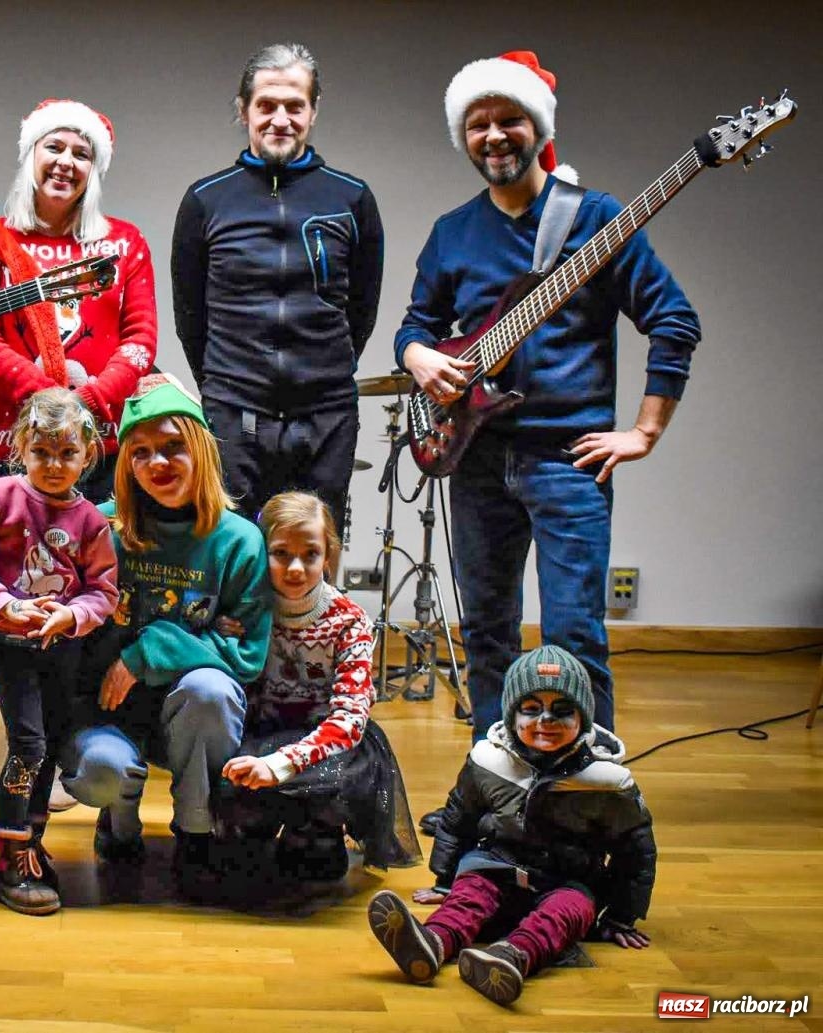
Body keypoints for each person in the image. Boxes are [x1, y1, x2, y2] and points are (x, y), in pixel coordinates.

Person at [394, 51, 701, 740]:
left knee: (573, 636)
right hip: (474, 458)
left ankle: (586, 789)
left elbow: (674, 320)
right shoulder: (453, 231)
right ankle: (491, 784)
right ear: (463, 137)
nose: (495, 136)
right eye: (479, 125)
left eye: (510, 120)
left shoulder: (595, 218)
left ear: (537, 126)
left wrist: (644, 432)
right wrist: (417, 356)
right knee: (487, 632)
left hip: (569, 459)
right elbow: (416, 324)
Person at [57, 373, 271, 898]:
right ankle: (119, 824)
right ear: (126, 462)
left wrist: (151, 647)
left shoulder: (240, 541)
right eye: (142, 452)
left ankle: (196, 831)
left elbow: (246, 658)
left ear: (200, 449)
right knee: (103, 769)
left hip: (191, 715)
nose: (158, 464)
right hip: (109, 710)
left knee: (211, 689)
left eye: (174, 447)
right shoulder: (98, 528)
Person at [366, 645, 655, 1006]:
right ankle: (431, 943)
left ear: (583, 717)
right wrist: (444, 879)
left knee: (567, 911)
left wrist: (622, 916)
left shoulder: (607, 781)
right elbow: (459, 819)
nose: (545, 721)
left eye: (562, 711)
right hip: (497, 865)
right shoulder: (488, 761)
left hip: (568, 882)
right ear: (511, 714)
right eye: (531, 710)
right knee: (468, 895)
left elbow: (636, 851)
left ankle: (510, 957)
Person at [172, 43, 383, 529]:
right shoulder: (206, 200)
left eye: (295, 106)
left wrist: (322, 373)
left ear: (313, 111)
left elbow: (361, 310)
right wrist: (224, 387)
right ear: (244, 109)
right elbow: (191, 315)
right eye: (266, 105)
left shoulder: (352, 197)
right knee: (233, 554)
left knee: (314, 555)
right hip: (234, 409)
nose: (280, 119)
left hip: (326, 413)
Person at [0, 388, 118, 914]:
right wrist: (3, 605)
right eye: (42, 452)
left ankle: (30, 839)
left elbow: (104, 592)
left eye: (67, 454)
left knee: (50, 743)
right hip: (11, 648)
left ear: (88, 456)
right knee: (27, 744)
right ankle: (7, 854)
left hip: (62, 650)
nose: (53, 464)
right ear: (21, 445)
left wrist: (72, 615)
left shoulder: (91, 520)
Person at [215, 492, 420, 884]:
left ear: (328, 557)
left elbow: (349, 720)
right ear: (261, 553)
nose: (296, 568)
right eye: (280, 553)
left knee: (320, 848)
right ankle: (257, 826)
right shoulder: (243, 609)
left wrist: (278, 765)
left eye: (310, 554)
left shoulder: (349, 621)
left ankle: (314, 832)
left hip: (325, 737)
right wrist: (221, 632)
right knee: (238, 852)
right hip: (261, 730)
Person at [0, 98, 157, 504]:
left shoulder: (125, 243)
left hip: (105, 446)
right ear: (31, 154)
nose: (66, 161)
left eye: (81, 154)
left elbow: (141, 341)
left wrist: (89, 400)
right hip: (23, 443)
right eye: (54, 147)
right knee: (24, 566)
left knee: (106, 565)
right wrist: (48, 399)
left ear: (94, 169)